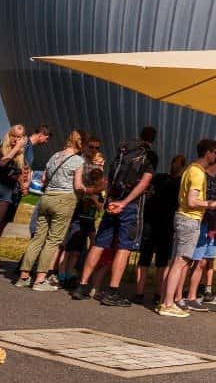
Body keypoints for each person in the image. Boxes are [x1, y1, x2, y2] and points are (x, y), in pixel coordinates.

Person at [74, 125, 157, 305]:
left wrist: (111, 200)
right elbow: (144, 183)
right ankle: (112, 291)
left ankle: (82, 285)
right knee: (123, 248)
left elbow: (110, 177)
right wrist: (125, 203)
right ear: (152, 139)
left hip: (113, 201)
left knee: (99, 243)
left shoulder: (124, 150)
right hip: (130, 205)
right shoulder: (149, 156)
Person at [157, 138, 216, 318]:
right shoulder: (197, 173)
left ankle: (166, 300)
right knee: (181, 261)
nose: (215, 156)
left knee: (177, 261)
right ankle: (167, 304)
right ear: (208, 153)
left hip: (183, 217)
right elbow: (192, 201)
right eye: (214, 152)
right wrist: (213, 203)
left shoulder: (190, 168)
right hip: (190, 219)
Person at [16, 129, 89, 290]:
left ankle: (24, 277)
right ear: (81, 143)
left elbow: (43, 179)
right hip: (64, 200)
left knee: (38, 239)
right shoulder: (78, 161)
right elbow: (77, 185)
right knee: (53, 240)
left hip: (46, 198)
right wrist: (85, 189)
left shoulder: (55, 156)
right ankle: (40, 280)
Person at [133, 154, 184, 305]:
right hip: (160, 224)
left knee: (153, 260)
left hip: (159, 223)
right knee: (153, 261)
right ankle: (149, 293)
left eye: (176, 163)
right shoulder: (171, 181)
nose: (175, 166)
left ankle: (148, 293)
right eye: (176, 163)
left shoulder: (166, 180)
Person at [183, 149, 216, 310]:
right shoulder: (204, 177)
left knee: (201, 262)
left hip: (211, 226)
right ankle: (184, 295)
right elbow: (198, 201)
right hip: (201, 223)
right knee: (189, 260)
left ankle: (192, 296)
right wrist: (214, 204)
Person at [57, 151, 105, 289]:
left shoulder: (96, 192)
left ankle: (69, 274)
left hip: (88, 221)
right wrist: (91, 195)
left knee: (76, 252)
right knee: (67, 249)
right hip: (78, 220)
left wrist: (94, 197)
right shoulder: (84, 190)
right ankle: (62, 276)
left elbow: (100, 207)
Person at [2, 125, 49, 237]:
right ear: (40, 135)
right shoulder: (20, 146)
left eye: (19, 137)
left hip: (13, 192)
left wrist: (25, 184)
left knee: (5, 223)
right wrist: (23, 183)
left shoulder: (26, 149)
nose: (16, 140)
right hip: (5, 190)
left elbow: (25, 169)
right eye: (46, 138)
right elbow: (7, 164)